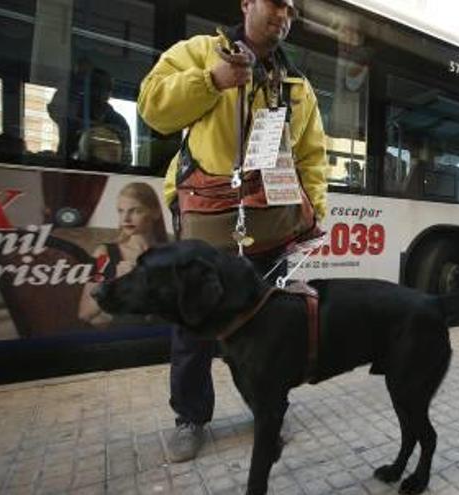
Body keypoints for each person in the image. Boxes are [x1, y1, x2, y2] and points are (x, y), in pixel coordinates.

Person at [137, 0, 328, 463]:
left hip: (271, 225)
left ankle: (266, 413)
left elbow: (311, 157)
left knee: (268, 330)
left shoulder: (297, 86)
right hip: (208, 222)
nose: (283, 14)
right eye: (274, 3)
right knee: (194, 327)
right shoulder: (202, 52)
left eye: (290, 8)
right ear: (246, 4)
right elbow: (152, 107)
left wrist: (315, 214)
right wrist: (211, 81)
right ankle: (190, 418)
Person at [78, 182, 168, 327]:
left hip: (162, 333)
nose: (125, 219)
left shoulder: (172, 253)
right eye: (121, 211)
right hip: (124, 334)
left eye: (135, 211)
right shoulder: (104, 254)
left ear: (155, 212)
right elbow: (85, 312)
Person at [48, 66, 133, 165]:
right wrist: (75, 77)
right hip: (67, 168)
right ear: (85, 88)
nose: (96, 92)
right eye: (93, 86)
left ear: (109, 93)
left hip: (107, 172)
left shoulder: (119, 122)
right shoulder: (73, 110)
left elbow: (126, 160)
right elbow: (54, 108)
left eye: (101, 87)